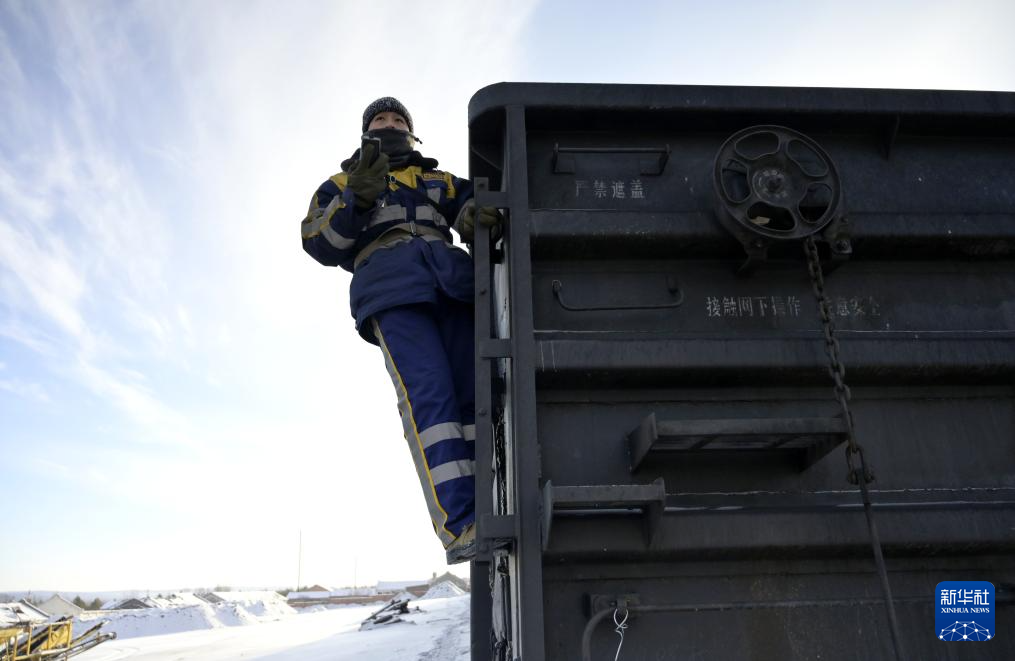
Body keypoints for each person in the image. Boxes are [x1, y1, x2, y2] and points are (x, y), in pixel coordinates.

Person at [300, 97, 500, 564]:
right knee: (430, 399)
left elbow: (477, 204)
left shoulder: (439, 179)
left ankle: (495, 506)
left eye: (398, 120)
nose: (389, 125)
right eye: (380, 120)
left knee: (478, 400)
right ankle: (461, 523)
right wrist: (358, 199)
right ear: (366, 132)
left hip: (454, 285)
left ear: (413, 133)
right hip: (392, 291)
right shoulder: (340, 183)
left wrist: (473, 217)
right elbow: (320, 243)